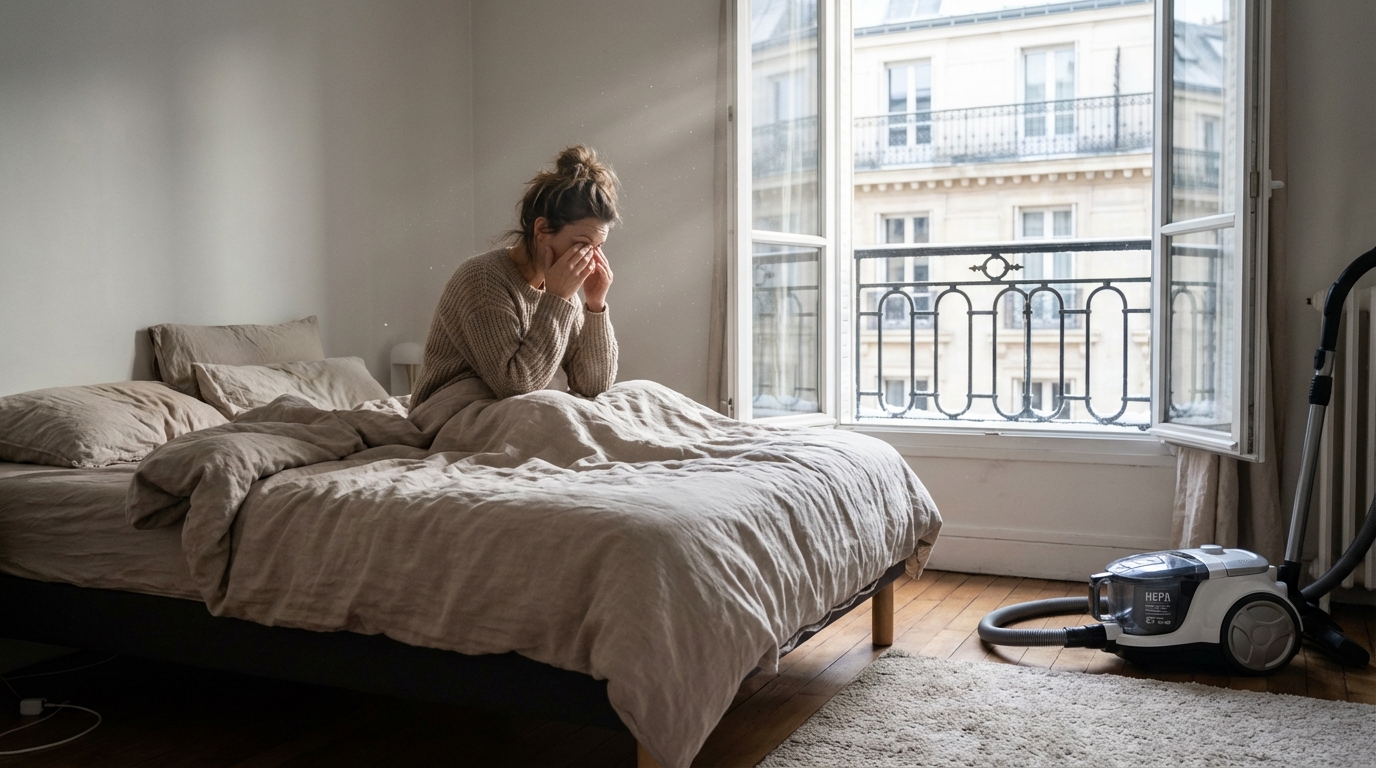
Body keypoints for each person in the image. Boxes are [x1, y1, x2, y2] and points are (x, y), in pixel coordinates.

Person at [410, 145, 619, 407]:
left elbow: (592, 386)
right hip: (450, 409)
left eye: (597, 248)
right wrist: (557, 299)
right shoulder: (482, 279)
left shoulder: (561, 293)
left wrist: (595, 306)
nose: (590, 259)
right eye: (582, 245)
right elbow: (516, 386)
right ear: (542, 229)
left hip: (505, 411)